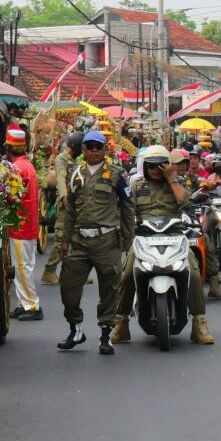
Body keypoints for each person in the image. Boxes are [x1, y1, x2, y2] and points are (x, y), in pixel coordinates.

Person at [112, 145, 213, 345]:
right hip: (144, 237)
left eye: (161, 165)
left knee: (193, 273)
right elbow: (125, 211)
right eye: (152, 165)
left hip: (175, 235)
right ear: (145, 166)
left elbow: (187, 205)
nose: (156, 169)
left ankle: (199, 324)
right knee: (127, 273)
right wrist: (124, 234)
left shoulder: (178, 182)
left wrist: (171, 178)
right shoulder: (135, 185)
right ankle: (121, 323)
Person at [56, 130, 134, 355]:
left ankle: (106, 335)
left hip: (106, 240)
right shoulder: (75, 174)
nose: (93, 151)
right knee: (68, 289)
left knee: (109, 289)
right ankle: (76, 329)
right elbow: (70, 210)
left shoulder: (116, 174)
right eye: (89, 146)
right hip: (79, 240)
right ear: (83, 150)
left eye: (98, 147)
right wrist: (64, 240)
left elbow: (127, 205)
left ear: (105, 149)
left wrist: (128, 236)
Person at [4, 125, 43, 322]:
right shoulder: (26, 165)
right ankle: (24, 302)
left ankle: (32, 305)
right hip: (26, 224)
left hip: (21, 225)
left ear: (9, 148)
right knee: (24, 266)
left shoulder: (18, 168)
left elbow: (10, 196)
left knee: (22, 267)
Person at [42, 131, 84, 286]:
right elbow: (60, 178)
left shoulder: (75, 160)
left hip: (76, 203)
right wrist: (65, 198)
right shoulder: (61, 159)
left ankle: (76, 273)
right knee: (61, 239)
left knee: (77, 239)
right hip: (65, 205)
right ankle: (49, 270)